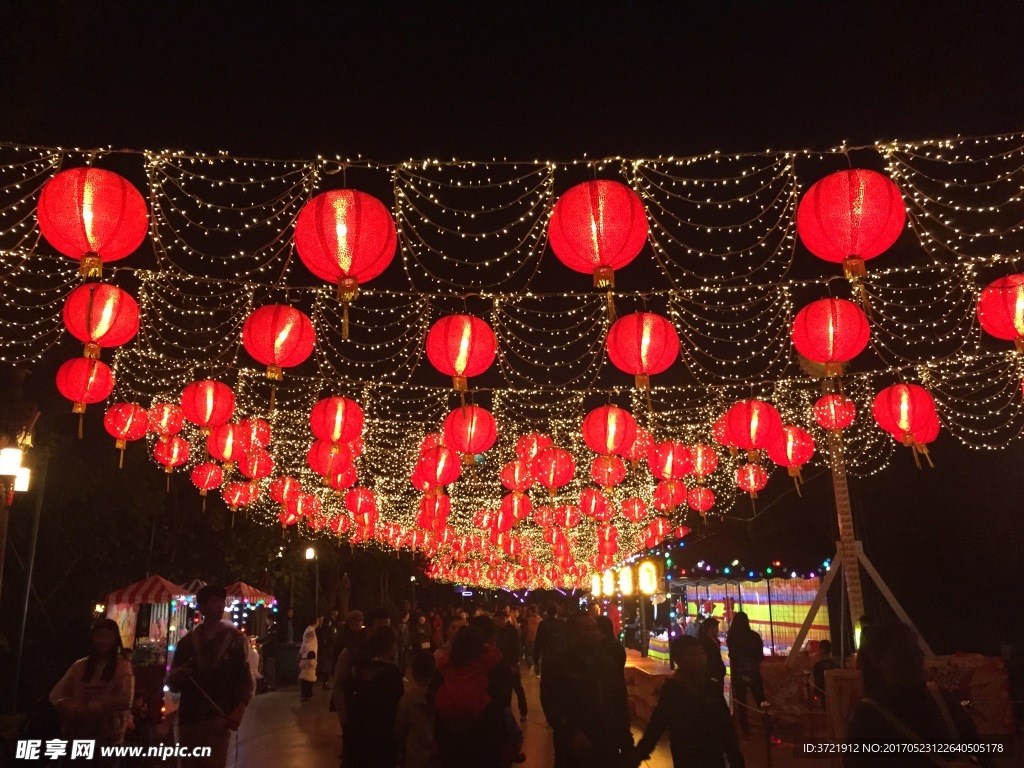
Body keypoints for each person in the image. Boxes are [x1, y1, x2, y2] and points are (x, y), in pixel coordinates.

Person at [843, 622, 994, 768]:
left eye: (915, 649)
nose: (915, 658)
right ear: (878, 661)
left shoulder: (940, 698)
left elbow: (977, 748)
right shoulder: (868, 717)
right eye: (903, 652)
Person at [167, 585, 253, 768]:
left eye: (222, 601)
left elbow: (244, 679)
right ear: (202, 607)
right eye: (214, 601)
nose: (220, 606)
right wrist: (176, 677)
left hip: (219, 718)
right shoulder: (187, 642)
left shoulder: (235, 640)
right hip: (189, 720)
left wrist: (239, 709)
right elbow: (172, 683)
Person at [630, 635, 745, 768]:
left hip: (713, 756)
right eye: (693, 655)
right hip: (686, 756)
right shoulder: (672, 690)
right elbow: (657, 724)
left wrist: (736, 759)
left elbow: (726, 728)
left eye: (702, 653)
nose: (701, 658)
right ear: (679, 659)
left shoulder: (711, 688)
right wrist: (639, 754)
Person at [540, 612, 632, 768]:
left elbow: (620, 701)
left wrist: (626, 741)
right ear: (571, 635)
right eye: (586, 630)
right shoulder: (559, 665)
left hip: (606, 742)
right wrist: (570, 733)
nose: (594, 634)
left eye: (594, 629)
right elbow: (550, 703)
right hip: (572, 747)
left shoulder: (607, 663)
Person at [431, 623, 514, 768]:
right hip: (487, 734)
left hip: (451, 737)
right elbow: (503, 698)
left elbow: (431, 696)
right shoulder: (494, 663)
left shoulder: (444, 665)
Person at [49, 618, 135, 751]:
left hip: (109, 737)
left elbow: (125, 699)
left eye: (108, 636)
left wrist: (96, 706)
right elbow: (58, 695)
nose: (103, 641)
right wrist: (71, 707)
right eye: (100, 635)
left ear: (115, 640)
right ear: (93, 637)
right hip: (78, 734)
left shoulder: (122, 666)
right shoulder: (80, 666)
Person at [342, 626, 405, 768]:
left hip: (357, 729)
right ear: (391, 647)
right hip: (382, 734)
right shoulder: (391, 672)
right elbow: (398, 705)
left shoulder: (358, 666)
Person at [395, 649, 441, 768]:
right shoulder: (443, 693)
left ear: (414, 673)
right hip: (439, 755)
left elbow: (400, 730)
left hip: (416, 757)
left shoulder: (409, 698)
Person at [726, 611, 765, 735]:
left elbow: (732, 655)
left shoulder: (731, 637)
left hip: (738, 672)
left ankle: (745, 731)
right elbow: (760, 655)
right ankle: (768, 728)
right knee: (761, 700)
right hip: (753, 671)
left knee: (742, 703)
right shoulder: (754, 636)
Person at [495, 608, 528, 722]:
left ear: (504, 619)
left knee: (517, 687)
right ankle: (507, 711)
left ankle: (523, 711)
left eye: (498, 621)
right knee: (506, 689)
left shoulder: (512, 631)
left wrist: (514, 664)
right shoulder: (497, 631)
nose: (496, 623)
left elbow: (517, 648)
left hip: (511, 664)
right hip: (502, 664)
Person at [532, 601, 564, 678]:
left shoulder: (543, 624)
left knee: (547, 679)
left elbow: (538, 642)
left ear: (547, 611)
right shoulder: (562, 623)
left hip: (547, 655)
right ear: (557, 611)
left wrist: (536, 660)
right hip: (560, 655)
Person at [699, 617, 727, 696]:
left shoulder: (714, 638)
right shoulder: (704, 640)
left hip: (718, 669)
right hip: (710, 670)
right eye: (715, 627)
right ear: (709, 628)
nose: (717, 629)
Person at [812, 638, 839, 707]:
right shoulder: (836, 665)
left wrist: (815, 695)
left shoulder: (818, 666)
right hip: (836, 695)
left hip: (823, 695)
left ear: (821, 650)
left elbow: (817, 682)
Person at [320, 607, 341, 689]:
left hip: (332, 644)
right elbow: (327, 632)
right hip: (329, 645)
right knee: (327, 664)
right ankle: (325, 683)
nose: (337, 613)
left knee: (330, 664)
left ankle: (326, 682)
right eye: (336, 611)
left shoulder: (334, 621)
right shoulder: (328, 621)